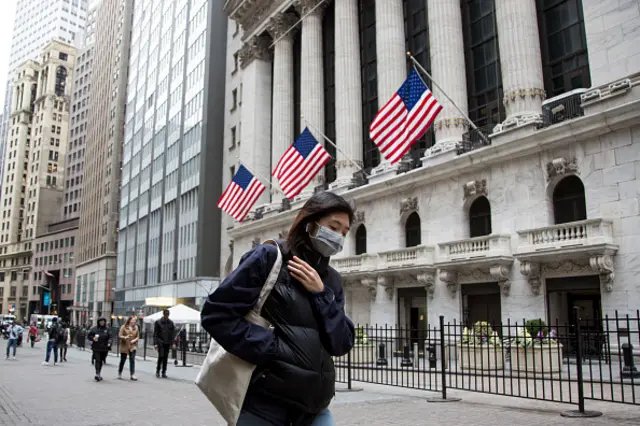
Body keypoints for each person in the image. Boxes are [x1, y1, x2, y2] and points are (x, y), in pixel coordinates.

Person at [201, 192, 355, 426]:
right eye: (333, 227)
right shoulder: (269, 257)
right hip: (264, 406)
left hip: (315, 408)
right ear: (310, 224)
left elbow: (341, 343)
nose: (338, 238)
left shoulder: (331, 281)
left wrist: (321, 294)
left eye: (344, 232)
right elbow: (217, 315)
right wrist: (273, 350)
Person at [153, 309, 176, 378]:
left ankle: (163, 372)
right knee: (161, 356)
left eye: (168, 315)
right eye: (165, 314)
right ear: (163, 314)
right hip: (160, 341)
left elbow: (172, 334)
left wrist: (173, 343)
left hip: (167, 342)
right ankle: (157, 370)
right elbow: (155, 334)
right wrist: (155, 343)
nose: (166, 316)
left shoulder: (171, 323)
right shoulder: (158, 322)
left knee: (165, 357)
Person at [117, 316, 139, 381]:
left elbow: (138, 336)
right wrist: (125, 337)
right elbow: (120, 335)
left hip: (132, 346)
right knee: (123, 360)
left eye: (135, 321)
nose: (134, 322)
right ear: (129, 321)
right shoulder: (123, 327)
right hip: (125, 345)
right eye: (132, 321)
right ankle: (120, 372)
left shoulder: (136, 328)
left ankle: (132, 374)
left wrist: (134, 340)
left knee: (132, 360)